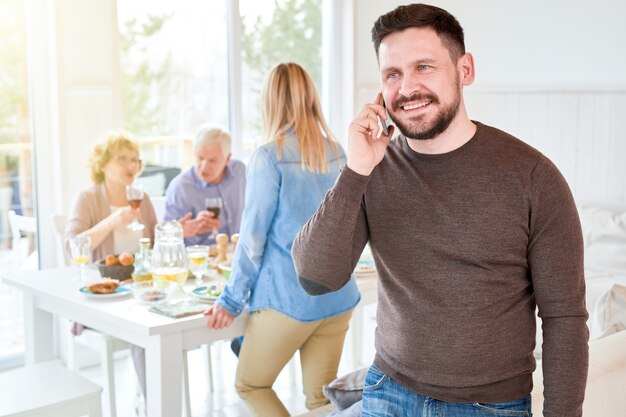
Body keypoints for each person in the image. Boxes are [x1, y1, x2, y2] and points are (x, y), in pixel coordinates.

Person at [292, 4, 589, 417]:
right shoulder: (372, 169)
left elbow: (564, 318)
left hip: (490, 406)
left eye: (424, 67)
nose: (407, 88)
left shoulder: (534, 177)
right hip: (387, 391)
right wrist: (356, 169)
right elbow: (315, 277)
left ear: (464, 70)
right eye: (392, 74)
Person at [205, 62, 360, 417]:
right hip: (337, 298)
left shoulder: (268, 157)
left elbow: (253, 241)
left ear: (270, 102)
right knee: (321, 401)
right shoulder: (336, 150)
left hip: (290, 303)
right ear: (311, 97)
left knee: (251, 384)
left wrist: (230, 300)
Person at [65, 130, 157, 403]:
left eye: (135, 160)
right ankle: (157, 404)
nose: (131, 165)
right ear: (103, 163)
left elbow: (153, 247)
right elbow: (73, 247)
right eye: (123, 159)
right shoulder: (87, 198)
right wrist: (114, 219)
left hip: (139, 291)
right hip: (101, 298)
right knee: (147, 330)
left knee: (159, 323)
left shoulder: (143, 198)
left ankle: (158, 402)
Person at [164, 125, 245, 246]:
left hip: (238, 253)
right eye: (200, 158)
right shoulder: (180, 187)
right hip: (201, 258)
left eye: (212, 160)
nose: (204, 166)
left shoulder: (240, 172)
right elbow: (166, 238)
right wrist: (184, 232)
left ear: (227, 158)